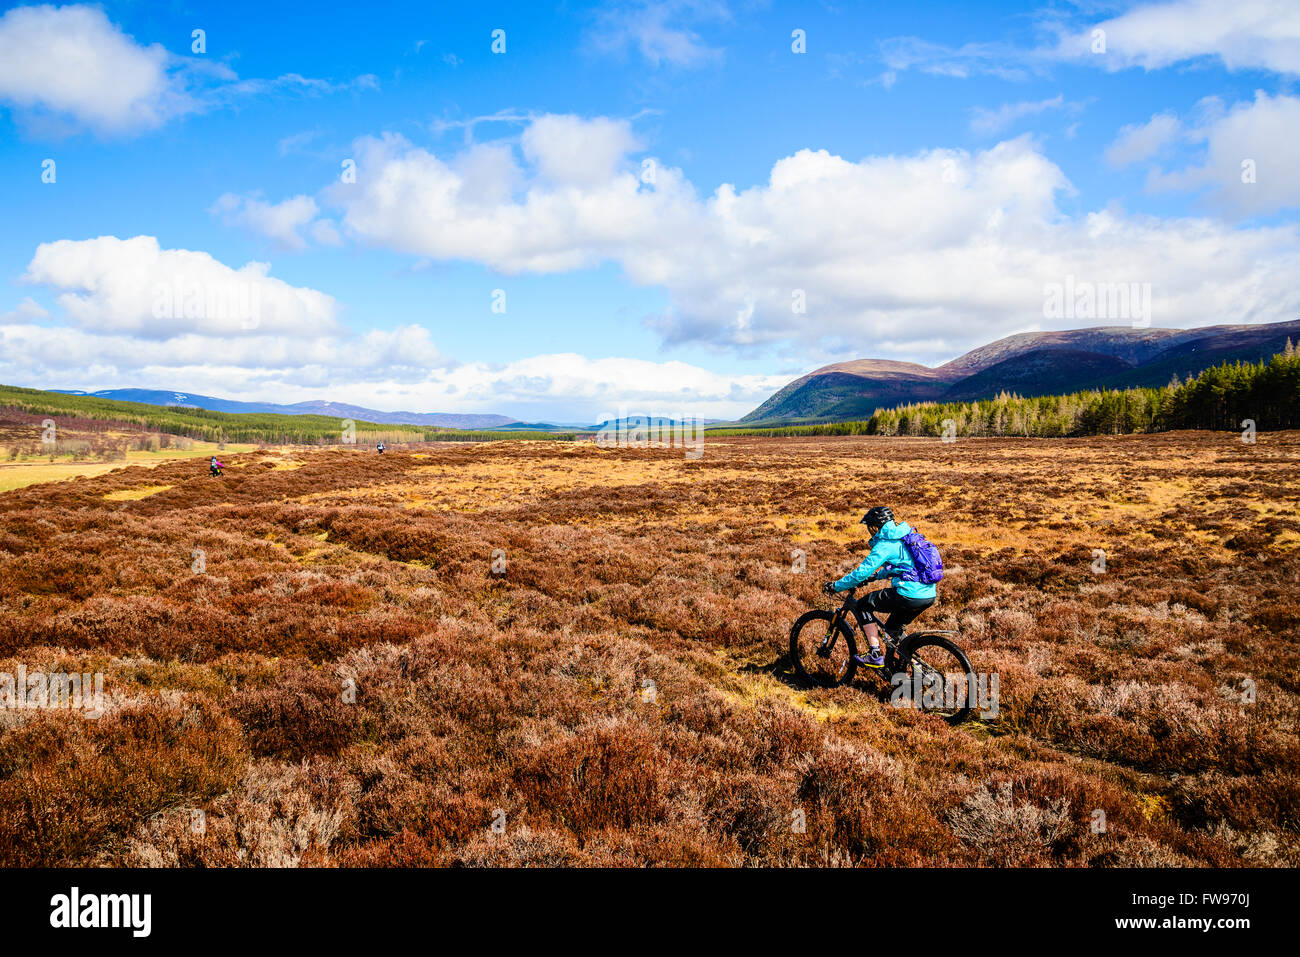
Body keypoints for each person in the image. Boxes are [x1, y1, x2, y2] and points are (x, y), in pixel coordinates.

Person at [823, 505, 936, 668]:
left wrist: (836, 586)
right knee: (892, 629)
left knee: (863, 605)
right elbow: (902, 566)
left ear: (877, 526)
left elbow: (861, 573)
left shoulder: (885, 544)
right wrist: (877, 576)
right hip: (927, 594)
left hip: (909, 593)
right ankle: (915, 666)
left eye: (871, 527)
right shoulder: (905, 537)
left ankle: (874, 654)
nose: (870, 531)